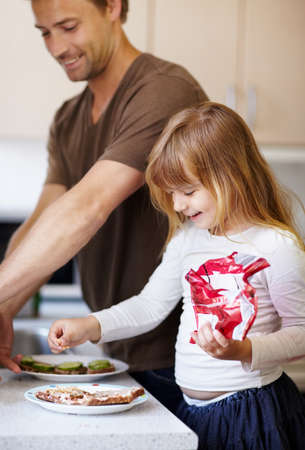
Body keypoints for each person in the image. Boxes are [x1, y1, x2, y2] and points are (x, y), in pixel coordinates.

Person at [48, 102, 305, 450]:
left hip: (252, 413)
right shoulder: (189, 239)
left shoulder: (275, 246)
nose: (179, 205)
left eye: (188, 191)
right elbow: (150, 305)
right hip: (193, 413)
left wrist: (243, 349)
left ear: (232, 175)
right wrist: (90, 325)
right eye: (172, 193)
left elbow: (301, 334)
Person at [0, 0, 208, 412]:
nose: (57, 47)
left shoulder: (163, 90)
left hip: (181, 359)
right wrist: (6, 305)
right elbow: (43, 220)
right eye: (45, 32)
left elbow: (89, 206)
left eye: (68, 26)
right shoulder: (68, 119)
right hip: (114, 351)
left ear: (112, 7)